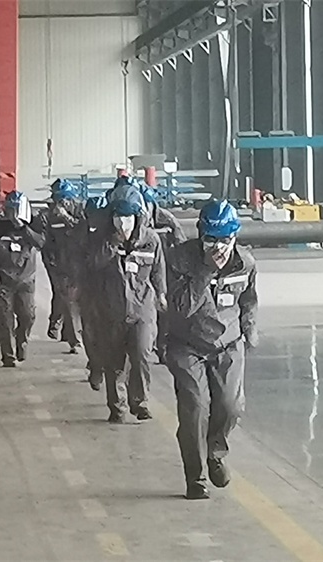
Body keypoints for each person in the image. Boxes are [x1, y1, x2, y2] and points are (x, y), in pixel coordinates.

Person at [164, 199, 258, 500]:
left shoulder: (245, 263)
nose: (219, 247)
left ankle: (215, 453)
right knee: (195, 408)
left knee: (230, 406)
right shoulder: (178, 260)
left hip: (227, 344)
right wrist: (205, 271)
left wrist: (249, 330)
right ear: (201, 235)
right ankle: (196, 477)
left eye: (225, 240)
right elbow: (181, 307)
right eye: (211, 240)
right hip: (187, 344)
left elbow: (249, 300)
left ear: (235, 236)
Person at [87, 185, 165, 424]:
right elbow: (92, 265)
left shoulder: (151, 240)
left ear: (138, 217)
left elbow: (158, 270)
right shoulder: (101, 240)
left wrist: (162, 294)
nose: (123, 223)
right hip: (111, 310)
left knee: (142, 354)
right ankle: (117, 406)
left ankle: (140, 402)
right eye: (118, 217)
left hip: (142, 309)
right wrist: (112, 244)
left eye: (128, 217)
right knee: (115, 362)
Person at [0, 191, 46, 367]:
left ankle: (22, 340)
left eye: (15, 209)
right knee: (5, 318)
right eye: (9, 209)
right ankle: (8, 355)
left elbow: (40, 243)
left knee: (28, 316)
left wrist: (23, 227)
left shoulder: (34, 224)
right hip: (3, 280)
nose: (12, 214)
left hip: (26, 280)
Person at [36, 179, 87, 353]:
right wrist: (51, 262)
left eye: (65, 199)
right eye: (58, 200)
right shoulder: (49, 215)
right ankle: (75, 340)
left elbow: (82, 231)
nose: (62, 203)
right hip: (59, 263)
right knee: (67, 297)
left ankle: (61, 327)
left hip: (79, 262)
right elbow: (45, 241)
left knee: (74, 300)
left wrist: (66, 217)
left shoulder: (81, 210)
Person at [140, 185, 187, 362]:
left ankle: (162, 349)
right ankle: (147, 344)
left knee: (164, 312)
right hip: (145, 271)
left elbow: (182, 246)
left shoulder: (168, 221)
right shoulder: (135, 223)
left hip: (167, 271)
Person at [76, 194, 108, 383]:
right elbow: (75, 260)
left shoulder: (114, 236)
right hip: (88, 290)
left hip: (111, 292)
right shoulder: (81, 234)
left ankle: (107, 365)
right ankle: (95, 365)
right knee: (89, 331)